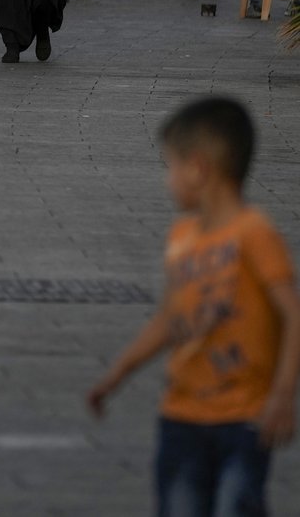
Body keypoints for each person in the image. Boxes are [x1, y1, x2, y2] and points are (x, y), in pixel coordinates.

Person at [87, 97, 300, 517]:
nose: (168, 179)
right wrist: (117, 374)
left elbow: (293, 314)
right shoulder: (182, 236)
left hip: (243, 420)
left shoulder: (254, 234)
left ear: (199, 168)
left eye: (171, 165)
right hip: (181, 418)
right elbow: (169, 320)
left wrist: (283, 395)